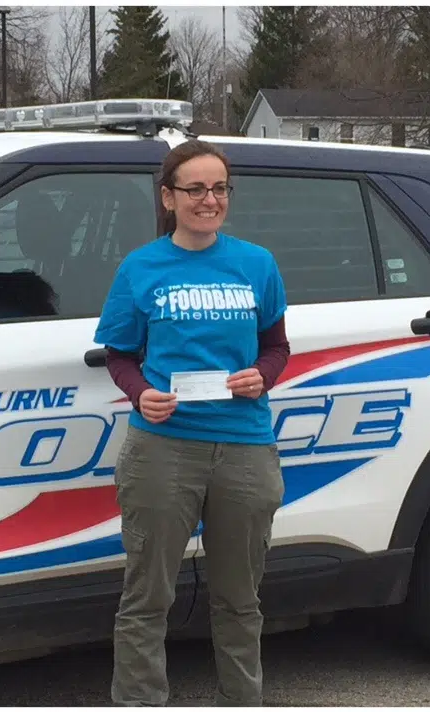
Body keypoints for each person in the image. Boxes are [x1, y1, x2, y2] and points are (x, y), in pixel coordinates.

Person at [94, 139, 290, 706]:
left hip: (245, 447)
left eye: (220, 188)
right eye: (196, 189)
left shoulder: (257, 264)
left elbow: (276, 347)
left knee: (240, 600)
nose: (210, 199)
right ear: (169, 197)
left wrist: (262, 375)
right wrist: (141, 394)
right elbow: (120, 355)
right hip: (163, 450)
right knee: (146, 598)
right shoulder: (141, 267)